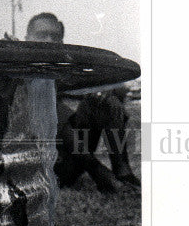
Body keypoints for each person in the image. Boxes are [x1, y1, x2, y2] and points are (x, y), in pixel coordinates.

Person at [25, 12, 140, 192]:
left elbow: (120, 87)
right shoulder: (17, 71)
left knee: (105, 101)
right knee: (46, 106)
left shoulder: (62, 69)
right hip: (35, 169)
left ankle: (122, 171)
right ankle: (100, 174)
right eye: (41, 35)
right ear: (26, 39)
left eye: (54, 37)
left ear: (61, 43)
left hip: (70, 163)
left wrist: (107, 88)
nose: (48, 40)